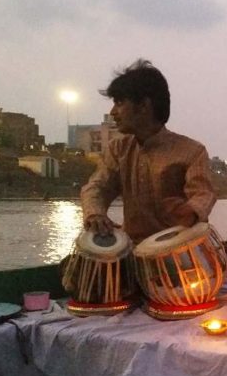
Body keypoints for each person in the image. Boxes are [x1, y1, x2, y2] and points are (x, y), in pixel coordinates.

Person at [81, 59, 217, 243]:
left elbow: (203, 194)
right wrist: (95, 214)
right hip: (132, 249)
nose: (113, 112)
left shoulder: (192, 151)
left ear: (144, 106)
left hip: (180, 248)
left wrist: (190, 212)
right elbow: (98, 187)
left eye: (120, 103)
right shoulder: (118, 149)